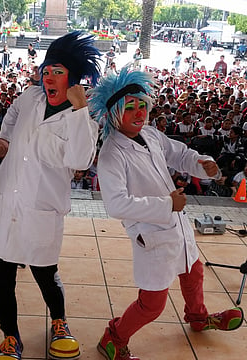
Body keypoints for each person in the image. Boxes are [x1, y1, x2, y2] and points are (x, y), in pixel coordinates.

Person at [88, 67, 244, 360]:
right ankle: (114, 338)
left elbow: (180, 154)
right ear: (113, 114)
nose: (139, 113)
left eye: (142, 105)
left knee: (193, 270)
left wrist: (204, 162)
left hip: (177, 226)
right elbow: (115, 204)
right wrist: (166, 205)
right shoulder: (111, 153)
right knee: (152, 304)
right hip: (151, 234)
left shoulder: (151, 134)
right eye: (129, 108)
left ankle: (198, 317)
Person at [0, 31, 102, 360]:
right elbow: (13, 115)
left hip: (41, 209)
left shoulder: (85, 118)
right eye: (46, 71)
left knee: (45, 271)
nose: (49, 78)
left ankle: (59, 322)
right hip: (7, 202)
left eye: (58, 72)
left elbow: (80, 161)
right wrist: (4, 139)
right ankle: (11, 338)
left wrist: (79, 108)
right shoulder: (30, 97)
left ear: (72, 79)